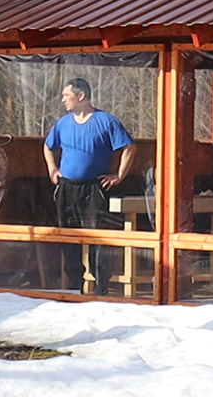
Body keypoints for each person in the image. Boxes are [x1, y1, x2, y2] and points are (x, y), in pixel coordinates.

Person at [43, 77, 140, 295]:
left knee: (98, 237)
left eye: (66, 96)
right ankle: (73, 287)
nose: (62, 100)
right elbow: (48, 147)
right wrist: (52, 169)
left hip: (95, 188)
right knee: (68, 236)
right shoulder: (63, 123)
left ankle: (101, 288)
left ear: (81, 96)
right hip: (67, 188)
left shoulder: (105, 121)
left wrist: (119, 175)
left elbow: (129, 148)